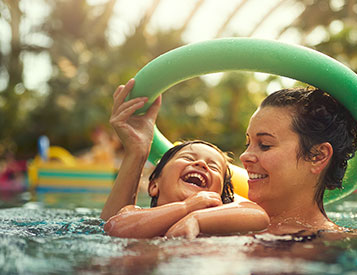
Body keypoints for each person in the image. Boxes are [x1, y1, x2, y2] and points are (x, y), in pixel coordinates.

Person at [101, 79, 269, 238]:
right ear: (154, 185)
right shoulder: (133, 213)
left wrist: (197, 218)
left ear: (222, 199)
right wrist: (186, 207)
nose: (201, 164)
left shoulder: (224, 216)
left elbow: (259, 215)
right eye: (188, 157)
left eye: (214, 166)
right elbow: (113, 227)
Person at [239, 87, 357, 235]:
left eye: (265, 145)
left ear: (317, 156)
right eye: (248, 144)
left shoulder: (332, 244)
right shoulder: (224, 214)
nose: (244, 156)